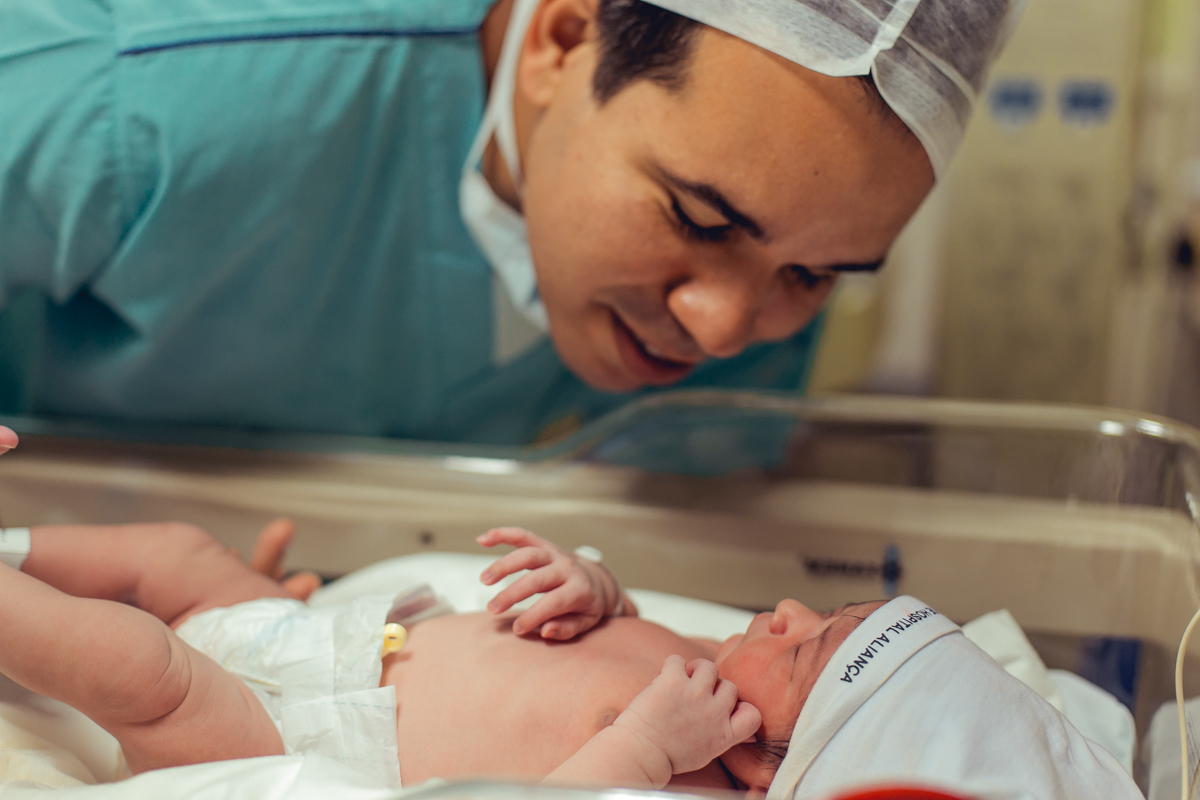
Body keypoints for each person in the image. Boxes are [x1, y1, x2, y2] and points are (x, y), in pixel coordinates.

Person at [0, 0, 1022, 446]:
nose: (721, 329)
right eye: (697, 218)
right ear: (563, 41)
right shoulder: (154, 94)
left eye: (816, 274)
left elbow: (677, 527)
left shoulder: (768, 265)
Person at [0, 515, 1142, 799]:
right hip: (339, 637)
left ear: (768, 765)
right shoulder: (704, 655)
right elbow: (610, 620)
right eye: (819, 607)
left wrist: (643, 744)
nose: (783, 608)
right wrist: (589, 586)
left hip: (292, 729)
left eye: (807, 646)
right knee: (181, 556)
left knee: (142, 664)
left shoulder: (680, 764)